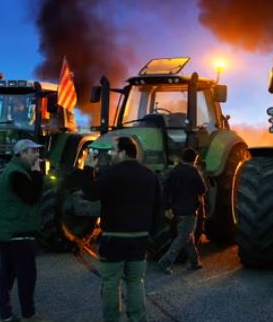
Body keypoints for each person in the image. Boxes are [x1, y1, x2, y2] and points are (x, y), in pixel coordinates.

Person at [83, 136, 163, 322]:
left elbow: (91, 194)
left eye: (114, 150)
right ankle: (137, 318)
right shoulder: (150, 175)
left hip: (114, 239)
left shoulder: (111, 175)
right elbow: (158, 208)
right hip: (140, 238)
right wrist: (150, 232)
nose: (111, 154)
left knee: (111, 283)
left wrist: (88, 169)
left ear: (124, 152)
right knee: (135, 282)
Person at [0, 139, 45, 322]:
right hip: (19, 234)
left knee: (6, 275)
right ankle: (28, 315)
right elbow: (32, 197)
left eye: (37, 151)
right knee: (26, 278)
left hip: (10, 233)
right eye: (33, 151)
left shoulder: (14, 171)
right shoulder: (17, 174)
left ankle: (5, 314)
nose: (37, 155)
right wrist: (38, 174)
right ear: (22, 153)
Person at [157, 147, 207, 275]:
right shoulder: (194, 172)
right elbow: (202, 190)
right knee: (183, 238)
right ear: (194, 160)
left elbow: (166, 190)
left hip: (177, 210)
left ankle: (195, 262)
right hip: (189, 211)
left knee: (188, 236)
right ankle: (165, 262)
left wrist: (167, 207)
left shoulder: (174, 171)